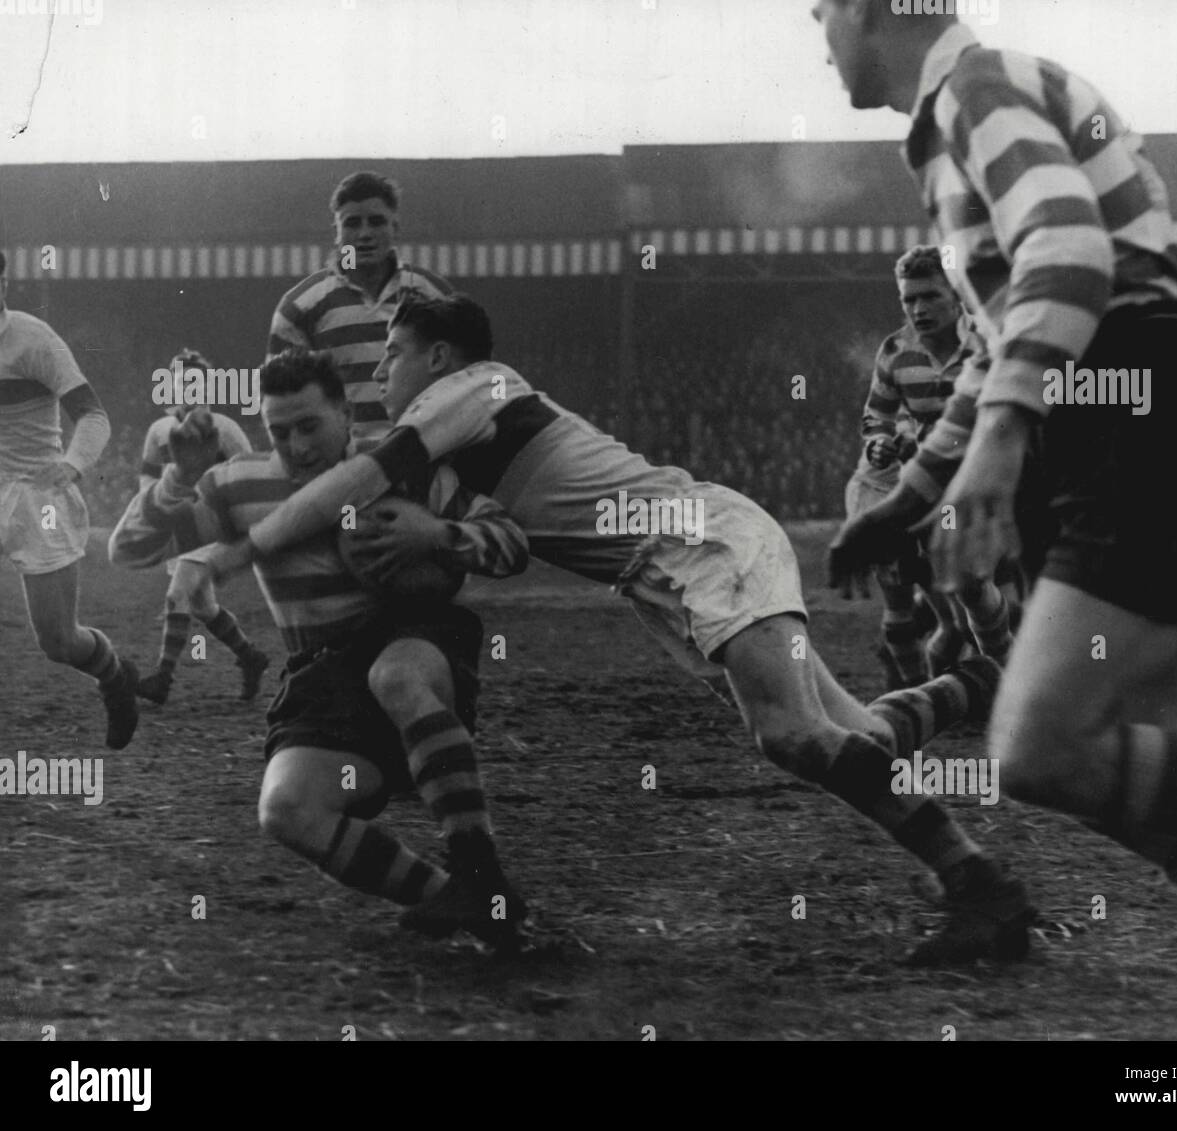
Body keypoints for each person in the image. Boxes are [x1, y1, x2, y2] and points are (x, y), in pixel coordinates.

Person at [207, 293, 1035, 968]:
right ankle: (972, 691)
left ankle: (978, 882)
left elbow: (361, 476)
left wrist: (251, 543)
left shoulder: (475, 386)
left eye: (394, 351)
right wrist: (437, 536)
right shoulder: (455, 448)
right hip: (670, 569)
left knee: (787, 734)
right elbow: (493, 540)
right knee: (848, 734)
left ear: (439, 357)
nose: (381, 368)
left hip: (693, 542)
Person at [819, 1, 1177, 971]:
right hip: (1135, 422)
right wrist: (906, 501)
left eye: (821, 11)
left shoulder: (975, 91)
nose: (818, 35)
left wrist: (1001, 441)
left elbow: (1069, 254)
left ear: (872, 9)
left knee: (1038, 750)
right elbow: (997, 350)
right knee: (1148, 795)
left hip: (1144, 419)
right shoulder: (966, 115)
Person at [109, 350, 529, 948]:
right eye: (279, 432)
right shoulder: (239, 485)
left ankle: (479, 870)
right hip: (324, 674)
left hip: (415, 640)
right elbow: (128, 551)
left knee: (396, 677)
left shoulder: (398, 467)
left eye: (310, 426)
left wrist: (439, 533)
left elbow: (511, 540)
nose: (297, 445)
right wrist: (178, 478)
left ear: (345, 412)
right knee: (286, 811)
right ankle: (461, 902)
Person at [846, 245, 1014, 686]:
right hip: (926, 481)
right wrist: (880, 442)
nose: (918, 309)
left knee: (974, 584)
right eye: (908, 299)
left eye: (929, 297)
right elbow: (876, 416)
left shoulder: (990, 341)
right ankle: (921, 691)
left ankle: (1007, 680)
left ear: (957, 294)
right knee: (907, 588)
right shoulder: (896, 351)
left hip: (987, 474)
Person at [0, 249, 138, 748]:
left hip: (38, 497)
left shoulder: (33, 340)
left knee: (58, 642)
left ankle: (114, 675)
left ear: (3, 282)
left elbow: (93, 415)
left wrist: (72, 465)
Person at [268, 170, 451, 442]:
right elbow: (279, 398)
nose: (365, 234)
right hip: (343, 466)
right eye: (353, 223)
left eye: (376, 222)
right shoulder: (301, 306)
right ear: (336, 233)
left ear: (395, 228)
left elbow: (469, 378)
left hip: (422, 457)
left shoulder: (434, 296)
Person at [134, 348, 270, 706]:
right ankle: (251, 657)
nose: (184, 387)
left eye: (192, 381)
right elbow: (147, 477)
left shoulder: (224, 428)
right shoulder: (159, 430)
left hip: (212, 526)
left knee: (175, 597)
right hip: (178, 527)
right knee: (202, 606)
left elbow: (249, 469)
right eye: (178, 380)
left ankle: (162, 679)